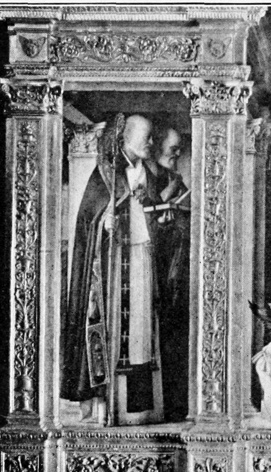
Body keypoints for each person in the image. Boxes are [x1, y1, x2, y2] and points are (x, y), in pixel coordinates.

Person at [61, 114, 170, 424]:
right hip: (115, 264)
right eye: (147, 137)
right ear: (127, 137)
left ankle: (141, 409)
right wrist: (105, 223)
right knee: (114, 330)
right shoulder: (106, 173)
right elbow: (90, 220)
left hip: (141, 258)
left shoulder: (148, 173)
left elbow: (149, 213)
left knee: (141, 333)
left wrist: (157, 217)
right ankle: (109, 406)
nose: (151, 143)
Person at [148, 124, 190, 422]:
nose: (176, 154)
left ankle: (177, 405)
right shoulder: (150, 178)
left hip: (178, 271)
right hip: (157, 272)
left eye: (178, 150)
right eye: (172, 148)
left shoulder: (175, 179)